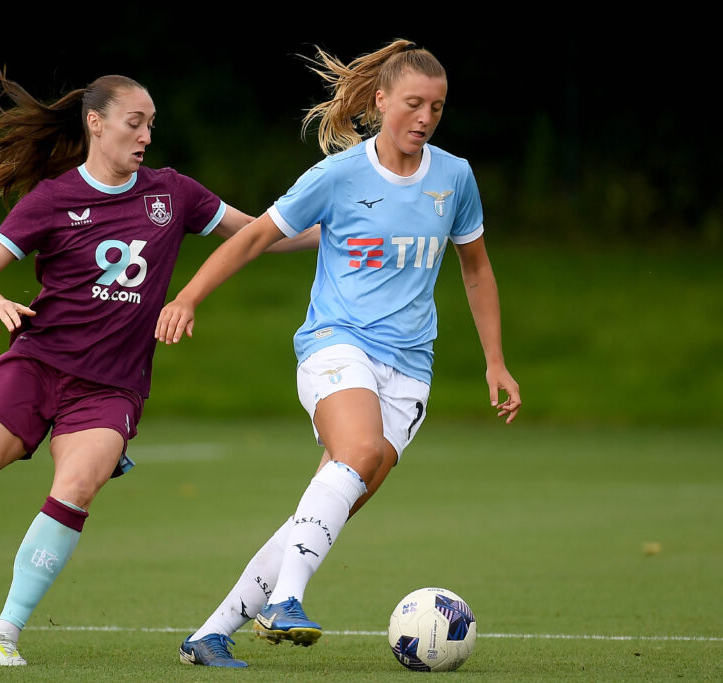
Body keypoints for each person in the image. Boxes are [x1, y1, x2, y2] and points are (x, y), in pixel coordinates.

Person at [0, 66, 317, 667]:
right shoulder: (52, 199)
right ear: (96, 123)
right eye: (134, 123)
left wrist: (340, 229)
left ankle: (4, 631)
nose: (145, 136)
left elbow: (261, 234)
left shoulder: (173, 194)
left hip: (112, 388)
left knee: (76, 489)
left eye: (151, 125)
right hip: (35, 366)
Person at [156, 40, 521, 668]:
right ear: (380, 101)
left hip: (410, 371)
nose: (425, 118)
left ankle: (210, 635)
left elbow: (477, 269)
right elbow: (255, 238)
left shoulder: (455, 177)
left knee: (324, 511)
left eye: (436, 107)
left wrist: (495, 360)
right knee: (358, 451)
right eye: (413, 103)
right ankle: (286, 601)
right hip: (336, 343)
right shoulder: (338, 175)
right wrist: (188, 296)